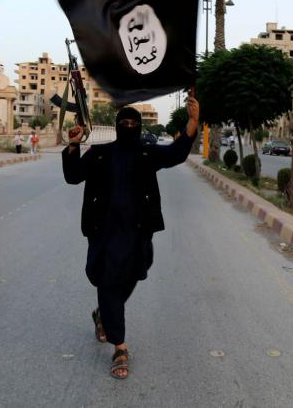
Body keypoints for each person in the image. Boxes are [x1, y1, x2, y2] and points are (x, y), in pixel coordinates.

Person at [62, 89, 199, 380]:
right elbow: (73, 176)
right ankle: (120, 346)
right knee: (110, 282)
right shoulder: (100, 153)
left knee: (135, 273)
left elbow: (176, 153)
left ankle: (104, 314)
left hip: (138, 233)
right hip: (105, 233)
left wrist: (193, 122)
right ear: (116, 127)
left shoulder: (147, 153)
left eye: (132, 124)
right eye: (123, 124)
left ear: (139, 127)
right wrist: (73, 145)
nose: (127, 128)